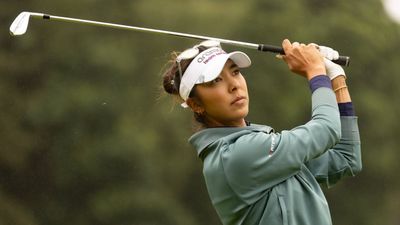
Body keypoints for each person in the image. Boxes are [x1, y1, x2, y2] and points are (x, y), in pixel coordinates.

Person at [161, 39, 361, 225]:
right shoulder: (234, 155)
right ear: (196, 105)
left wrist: (335, 77)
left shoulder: (260, 144)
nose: (234, 85)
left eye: (235, 71)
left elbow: (345, 158)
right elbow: (326, 129)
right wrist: (316, 72)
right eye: (215, 81)